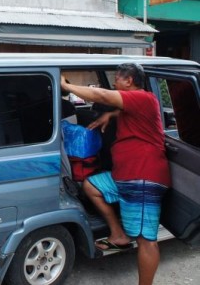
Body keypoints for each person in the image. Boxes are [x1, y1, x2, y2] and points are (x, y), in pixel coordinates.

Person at [60, 63, 170, 285]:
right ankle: (118, 234)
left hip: (142, 178)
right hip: (123, 175)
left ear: (129, 80)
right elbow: (120, 108)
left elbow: (101, 95)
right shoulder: (133, 105)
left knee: (145, 240)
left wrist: (66, 86)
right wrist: (110, 116)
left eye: (117, 80)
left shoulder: (143, 97)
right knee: (91, 186)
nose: (113, 84)